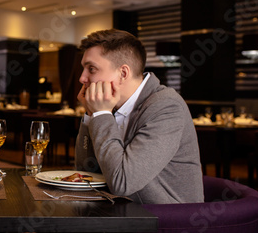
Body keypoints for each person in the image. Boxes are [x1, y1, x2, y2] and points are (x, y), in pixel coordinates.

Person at [75, 29, 203, 204]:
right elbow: (86, 172)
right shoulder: (110, 105)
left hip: (169, 221)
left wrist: (101, 114)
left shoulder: (166, 106)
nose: (82, 78)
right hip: (123, 212)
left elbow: (122, 183)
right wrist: (91, 114)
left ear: (123, 73)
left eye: (91, 69)